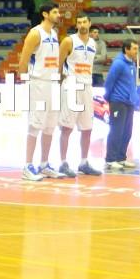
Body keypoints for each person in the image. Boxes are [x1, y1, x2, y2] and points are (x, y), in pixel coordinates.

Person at [18, 3, 64, 181]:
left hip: (52, 83)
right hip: (39, 83)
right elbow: (23, 60)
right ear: (45, 14)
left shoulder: (54, 33)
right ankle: (27, 166)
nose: (58, 15)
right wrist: (26, 83)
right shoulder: (35, 33)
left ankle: (44, 164)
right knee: (35, 124)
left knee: (50, 125)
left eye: (58, 12)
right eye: (54, 12)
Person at [57, 15, 102, 177]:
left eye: (84, 22)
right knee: (67, 127)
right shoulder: (69, 41)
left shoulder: (93, 43)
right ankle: (62, 162)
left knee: (87, 127)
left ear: (90, 24)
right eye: (79, 22)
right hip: (72, 85)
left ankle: (83, 162)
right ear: (76, 25)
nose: (82, 24)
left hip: (87, 86)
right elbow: (58, 65)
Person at [104, 39, 140, 170]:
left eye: (137, 48)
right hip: (118, 101)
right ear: (126, 49)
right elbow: (109, 81)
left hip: (129, 102)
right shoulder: (118, 63)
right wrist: (109, 98)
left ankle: (121, 157)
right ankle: (110, 159)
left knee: (127, 131)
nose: (137, 51)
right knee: (116, 130)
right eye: (134, 48)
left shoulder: (132, 63)